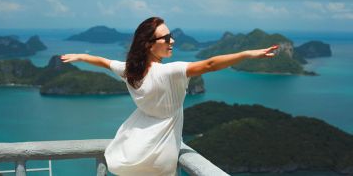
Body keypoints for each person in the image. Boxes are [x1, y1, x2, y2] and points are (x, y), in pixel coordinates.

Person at [60, 17, 278, 176]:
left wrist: (81, 56)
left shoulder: (130, 70)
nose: (171, 40)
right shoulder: (168, 72)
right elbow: (210, 64)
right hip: (161, 154)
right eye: (165, 38)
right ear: (149, 44)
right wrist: (248, 53)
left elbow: (104, 62)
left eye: (170, 36)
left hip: (135, 146)